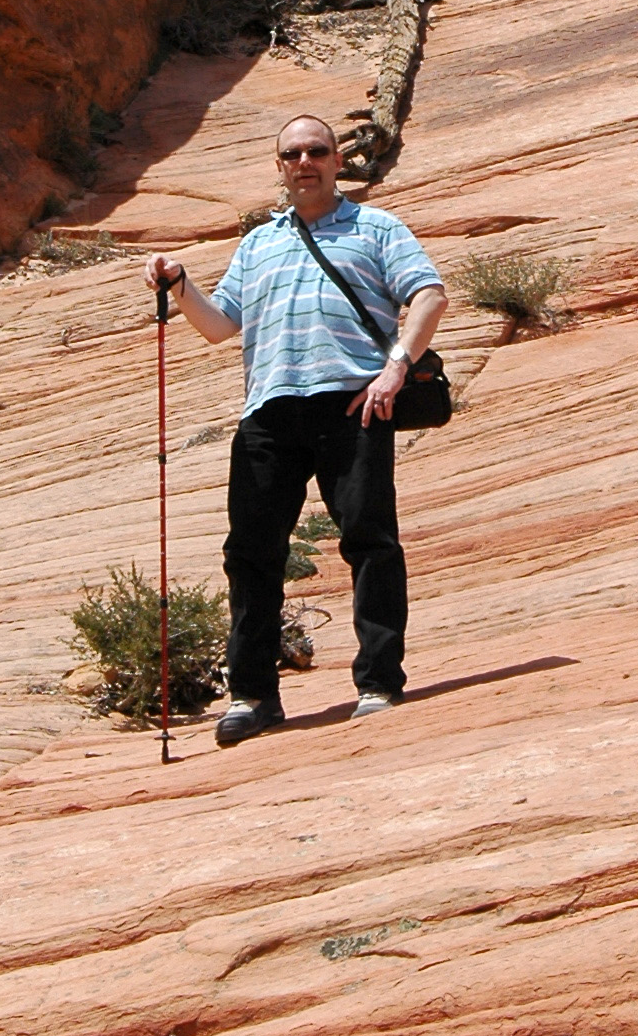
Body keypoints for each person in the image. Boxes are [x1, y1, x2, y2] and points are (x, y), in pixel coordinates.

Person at [145, 115, 448, 746]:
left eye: (316, 151)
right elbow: (220, 325)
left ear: (338, 160)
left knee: (369, 540)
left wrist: (396, 369)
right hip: (270, 410)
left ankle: (378, 681)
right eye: (291, 154)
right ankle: (253, 696)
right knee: (250, 554)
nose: (304, 162)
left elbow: (429, 296)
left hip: (353, 402)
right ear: (278, 167)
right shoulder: (258, 244)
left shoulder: (376, 228)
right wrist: (180, 285)